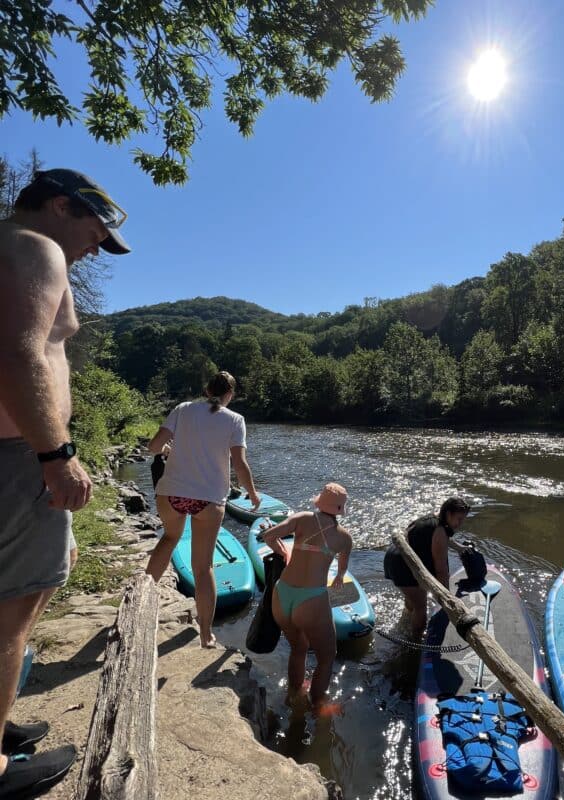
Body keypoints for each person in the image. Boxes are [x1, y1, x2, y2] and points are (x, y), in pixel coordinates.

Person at [0, 168, 131, 798]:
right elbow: (19, 354)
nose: (94, 250)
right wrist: (57, 455)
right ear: (59, 206)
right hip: (19, 455)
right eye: (95, 233)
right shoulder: (34, 247)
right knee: (12, 612)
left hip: (15, 452)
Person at [145, 371, 260, 648]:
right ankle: (206, 634)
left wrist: (168, 451)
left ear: (207, 391)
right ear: (230, 394)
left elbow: (153, 447)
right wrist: (253, 494)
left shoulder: (183, 409)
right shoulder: (235, 420)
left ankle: (141, 602)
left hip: (172, 493)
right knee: (203, 566)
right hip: (208, 499)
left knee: (169, 539)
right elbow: (239, 464)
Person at [259, 483, 352, 712]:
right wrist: (339, 577)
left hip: (283, 593)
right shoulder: (344, 537)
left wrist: (283, 552)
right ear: (340, 509)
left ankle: (294, 694)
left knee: (298, 648)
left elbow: (269, 536)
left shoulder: (301, 518)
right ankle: (318, 705)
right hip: (311, 599)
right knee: (327, 656)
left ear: (320, 502)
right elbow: (342, 569)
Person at [383, 497, 471, 635]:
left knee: (413, 599)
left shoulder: (434, 518)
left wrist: (459, 548)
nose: (460, 524)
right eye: (459, 519)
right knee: (420, 607)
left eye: (463, 519)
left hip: (394, 556)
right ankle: (416, 640)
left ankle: (405, 624)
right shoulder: (440, 531)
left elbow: (442, 537)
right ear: (449, 514)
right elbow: (441, 571)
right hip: (402, 565)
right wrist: (448, 600)